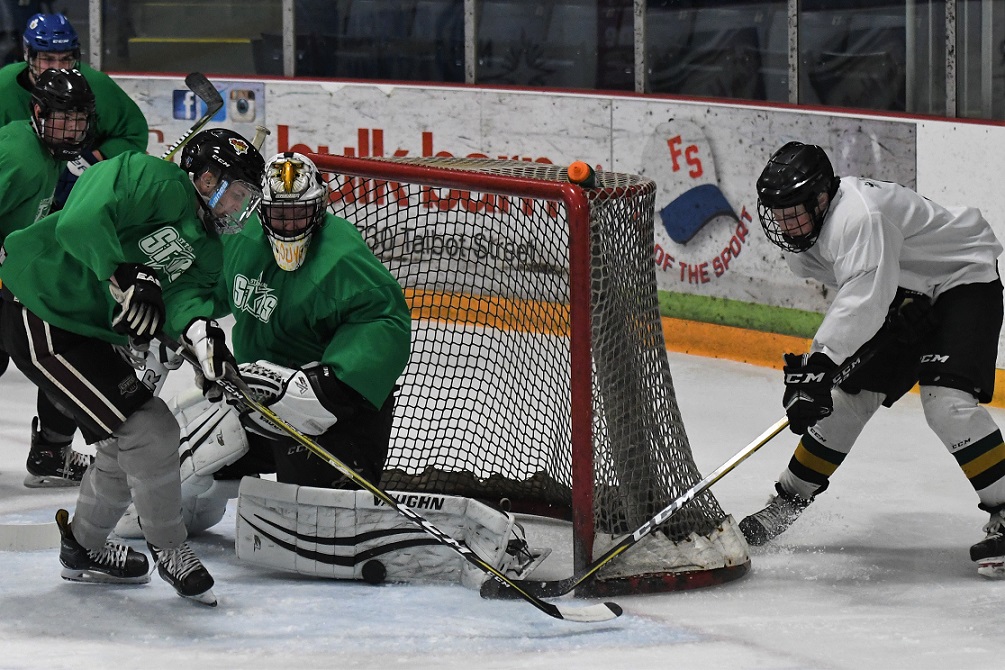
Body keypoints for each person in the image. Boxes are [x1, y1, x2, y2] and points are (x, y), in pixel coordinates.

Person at [0, 127, 265, 605]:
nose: (237, 209)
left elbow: (184, 300)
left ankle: (82, 547)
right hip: (39, 302)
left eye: (246, 198)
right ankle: (171, 549)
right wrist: (122, 270)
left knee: (126, 442)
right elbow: (77, 222)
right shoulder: (150, 177)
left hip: (85, 329)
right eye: (235, 194)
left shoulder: (208, 250)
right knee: (150, 430)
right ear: (205, 179)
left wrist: (202, 340)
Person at [740, 140, 1005, 579]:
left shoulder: (859, 214)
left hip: (962, 275)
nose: (786, 225)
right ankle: (785, 504)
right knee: (843, 401)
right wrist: (825, 374)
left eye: (794, 212)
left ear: (822, 197)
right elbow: (864, 289)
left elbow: (863, 297)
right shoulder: (803, 240)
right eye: (779, 214)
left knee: (946, 403)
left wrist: (820, 364)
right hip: (906, 290)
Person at [0, 12, 149, 487]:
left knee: (64, 334)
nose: (74, 130)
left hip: (32, 258)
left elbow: (131, 133)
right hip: (15, 262)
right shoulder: (21, 155)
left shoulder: (48, 149)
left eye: (80, 120)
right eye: (62, 119)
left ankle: (51, 454)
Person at [0, 13, 148, 207]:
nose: (58, 68)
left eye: (66, 59)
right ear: (29, 54)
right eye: (48, 58)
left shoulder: (96, 85)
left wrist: (92, 159)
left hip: (84, 191)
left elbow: (133, 134)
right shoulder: (4, 86)